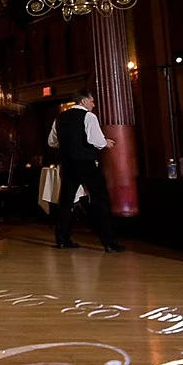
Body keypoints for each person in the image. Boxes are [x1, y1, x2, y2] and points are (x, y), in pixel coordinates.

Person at [47, 90, 124, 253]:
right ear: (83, 101)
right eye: (92, 101)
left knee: (66, 201)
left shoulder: (60, 118)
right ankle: (109, 242)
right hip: (86, 163)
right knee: (100, 199)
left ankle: (62, 240)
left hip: (68, 164)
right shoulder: (89, 117)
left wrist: (68, 144)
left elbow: (52, 142)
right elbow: (94, 140)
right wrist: (105, 142)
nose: (93, 104)